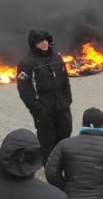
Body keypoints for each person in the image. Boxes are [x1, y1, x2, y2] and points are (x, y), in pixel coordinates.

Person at [16, 29, 72, 161]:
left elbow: (65, 80)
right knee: (47, 140)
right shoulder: (27, 63)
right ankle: (50, 168)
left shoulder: (57, 58)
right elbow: (24, 90)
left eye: (46, 40)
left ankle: (62, 163)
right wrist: (37, 109)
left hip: (62, 106)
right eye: (40, 41)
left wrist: (67, 100)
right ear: (33, 43)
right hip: (43, 109)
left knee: (65, 133)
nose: (44, 43)